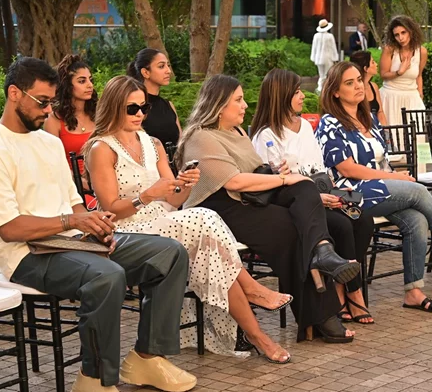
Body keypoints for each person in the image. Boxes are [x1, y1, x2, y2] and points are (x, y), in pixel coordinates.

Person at [0, 57, 196, 392]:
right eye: (42, 102)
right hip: (27, 255)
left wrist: (95, 224)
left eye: (51, 101)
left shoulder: (48, 143)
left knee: (169, 253)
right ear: (14, 94)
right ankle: (94, 379)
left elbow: (74, 201)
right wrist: (72, 220)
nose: (49, 110)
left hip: (74, 240)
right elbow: (9, 229)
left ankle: (147, 357)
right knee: (107, 276)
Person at [85, 75, 292, 362]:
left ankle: (256, 335)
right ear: (113, 107)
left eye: (144, 107)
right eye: (132, 108)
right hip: (127, 230)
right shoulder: (102, 149)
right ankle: (253, 297)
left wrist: (185, 184)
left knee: (213, 250)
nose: (140, 114)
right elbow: (109, 209)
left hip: (163, 220)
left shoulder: (153, 143)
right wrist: (146, 196)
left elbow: (174, 200)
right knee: (205, 219)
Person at [178, 74, 360, 343]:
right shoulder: (201, 137)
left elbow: (252, 171)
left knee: (305, 188)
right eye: (238, 100)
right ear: (219, 105)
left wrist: (276, 171)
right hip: (219, 208)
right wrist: (284, 179)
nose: (245, 105)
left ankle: (323, 250)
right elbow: (233, 181)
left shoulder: (238, 132)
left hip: (250, 198)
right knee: (294, 231)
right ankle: (320, 315)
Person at [316, 62, 432, 313]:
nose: (358, 86)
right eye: (349, 83)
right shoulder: (330, 123)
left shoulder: (368, 119)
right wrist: (393, 178)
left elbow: (381, 161)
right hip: (347, 193)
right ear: (335, 92)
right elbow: (347, 169)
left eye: (359, 80)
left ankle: (413, 291)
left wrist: (394, 175)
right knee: (418, 190)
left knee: (416, 220)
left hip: (378, 188)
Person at [251, 68, 375, 324]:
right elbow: (272, 185)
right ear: (281, 95)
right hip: (295, 206)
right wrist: (318, 198)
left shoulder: (306, 126)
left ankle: (341, 286)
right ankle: (352, 294)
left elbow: (319, 168)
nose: (302, 96)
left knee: (363, 219)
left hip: (321, 194)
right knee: (341, 226)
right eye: (296, 92)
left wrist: (334, 190)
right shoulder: (266, 135)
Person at [44, 54, 96, 169]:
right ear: (67, 85)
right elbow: (54, 164)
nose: (90, 85)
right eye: (82, 81)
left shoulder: (99, 114)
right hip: (69, 178)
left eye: (90, 80)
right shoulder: (53, 120)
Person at [127, 48, 182, 146]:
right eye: (161, 66)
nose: (168, 71)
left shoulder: (168, 105)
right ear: (145, 72)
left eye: (168, 65)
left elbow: (181, 141)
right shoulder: (133, 107)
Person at [379, 15, 427, 125]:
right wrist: (399, 72)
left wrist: (420, 95)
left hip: (412, 97)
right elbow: (383, 74)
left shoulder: (422, 51)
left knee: (415, 131)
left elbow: (419, 75)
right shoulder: (390, 50)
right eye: (396, 35)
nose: (400, 38)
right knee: (394, 133)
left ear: (411, 31)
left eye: (403, 32)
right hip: (391, 97)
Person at [350, 50, 387, 126]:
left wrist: (385, 130)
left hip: (376, 128)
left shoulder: (374, 86)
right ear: (365, 68)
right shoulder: (354, 89)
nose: (376, 64)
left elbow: (380, 112)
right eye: (373, 62)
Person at [310, 19, 339, 94]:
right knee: (327, 74)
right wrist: (335, 58)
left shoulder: (316, 36)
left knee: (321, 74)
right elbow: (333, 48)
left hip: (318, 58)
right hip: (328, 58)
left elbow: (314, 47)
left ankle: (320, 88)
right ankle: (326, 88)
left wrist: (313, 58)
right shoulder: (330, 36)